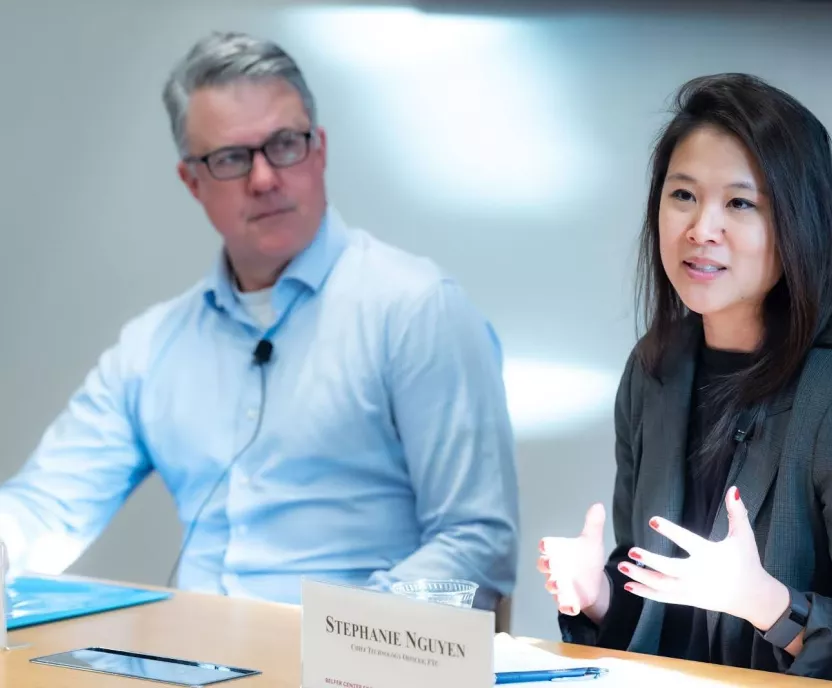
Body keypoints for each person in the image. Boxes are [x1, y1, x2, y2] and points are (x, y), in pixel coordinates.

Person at [0, 31, 519, 610]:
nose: (265, 178)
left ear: (319, 149)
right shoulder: (152, 347)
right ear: (192, 182)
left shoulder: (418, 310)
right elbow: (47, 506)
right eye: (230, 158)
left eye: (284, 145)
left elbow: (477, 545)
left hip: (355, 664)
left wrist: (339, 640)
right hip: (187, 661)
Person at [537, 73, 832, 686]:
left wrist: (768, 605)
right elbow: (661, 622)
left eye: (739, 203)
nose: (701, 229)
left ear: (796, 226)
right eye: (683, 196)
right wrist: (597, 592)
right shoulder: (655, 369)